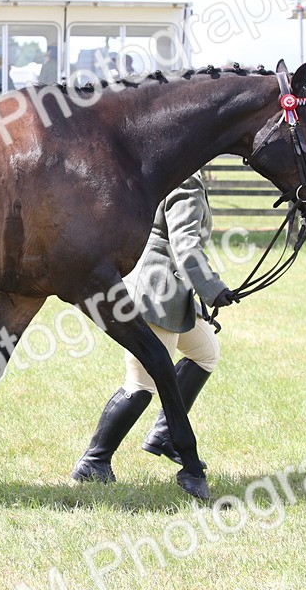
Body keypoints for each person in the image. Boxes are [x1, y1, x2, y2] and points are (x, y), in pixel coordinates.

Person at [71, 172, 237, 484]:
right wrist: (212, 288)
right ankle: (94, 461)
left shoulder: (173, 170)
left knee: (205, 352)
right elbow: (185, 247)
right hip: (156, 296)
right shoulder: (185, 180)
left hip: (166, 293)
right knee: (140, 385)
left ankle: (165, 433)